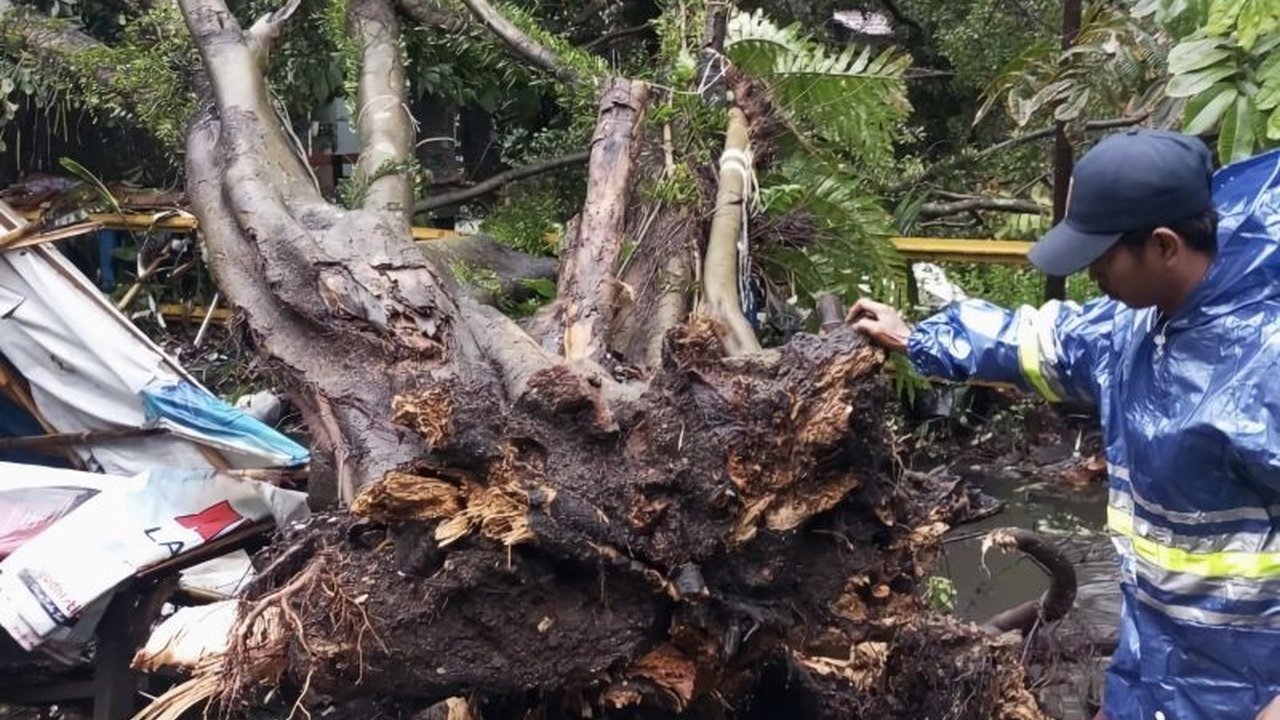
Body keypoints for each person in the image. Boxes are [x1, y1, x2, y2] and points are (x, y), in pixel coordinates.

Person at [849, 129, 1280, 720]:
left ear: (1163, 246)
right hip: (1151, 670)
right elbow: (1037, 345)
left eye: (1101, 258)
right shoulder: (1137, 326)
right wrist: (916, 338)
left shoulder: (1265, 365)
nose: (1090, 275)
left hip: (1249, 690)